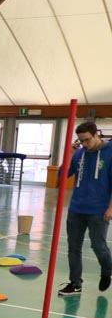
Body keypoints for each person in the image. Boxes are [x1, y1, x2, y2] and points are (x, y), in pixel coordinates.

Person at [58, 121, 112, 296]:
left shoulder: (110, 152)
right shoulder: (79, 153)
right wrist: (70, 154)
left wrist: (111, 208)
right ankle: (75, 283)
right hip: (76, 209)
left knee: (98, 246)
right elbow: (62, 176)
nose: (85, 144)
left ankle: (107, 270)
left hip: (99, 210)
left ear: (96, 134)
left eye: (87, 140)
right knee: (73, 247)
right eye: (81, 141)